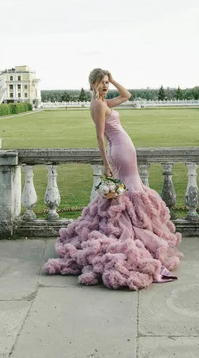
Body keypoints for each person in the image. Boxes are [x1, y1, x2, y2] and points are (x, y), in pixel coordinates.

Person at [43, 68, 183, 290]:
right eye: (102, 83)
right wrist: (106, 164)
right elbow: (99, 137)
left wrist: (114, 79)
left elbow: (127, 95)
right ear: (92, 85)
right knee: (128, 193)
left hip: (124, 150)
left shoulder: (105, 102)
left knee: (127, 192)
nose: (106, 86)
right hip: (119, 152)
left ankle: (131, 230)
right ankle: (128, 234)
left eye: (107, 82)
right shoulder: (99, 105)